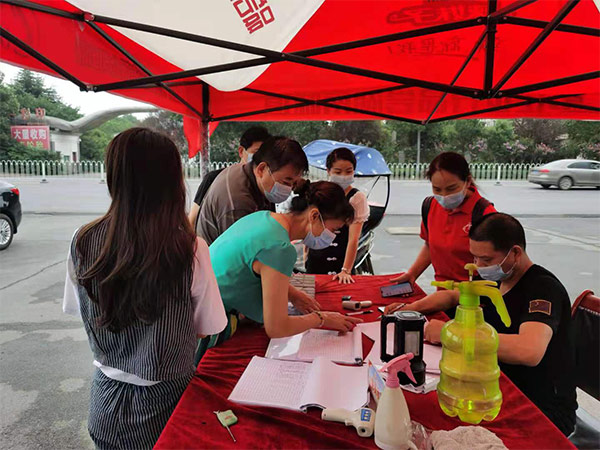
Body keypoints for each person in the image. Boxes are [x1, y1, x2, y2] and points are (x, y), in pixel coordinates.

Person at [62, 128, 227, 449]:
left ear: (114, 176)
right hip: (167, 404)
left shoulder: (81, 240)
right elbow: (208, 327)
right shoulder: (190, 249)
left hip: (104, 403)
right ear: (173, 182)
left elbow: (79, 309)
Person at [386, 213, 577, 436]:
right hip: (489, 384)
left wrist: (449, 333)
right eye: (475, 258)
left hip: (539, 405)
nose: (478, 266)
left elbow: (528, 351)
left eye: (486, 260)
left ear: (515, 253)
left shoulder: (543, 289)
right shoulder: (495, 279)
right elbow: (452, 295)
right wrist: (410, 309)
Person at [196, 180, 362, 362]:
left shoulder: (263, 217)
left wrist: (293, 294)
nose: (331, 238)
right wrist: (321, 319)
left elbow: (254, 267)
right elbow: (276, 327)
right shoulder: (280, 249)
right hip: (207, 326)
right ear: (314, 216)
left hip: (197, 305)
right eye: (333, 230)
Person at [389, 151, 496, 316]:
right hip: (441, 296)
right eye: (437, 189)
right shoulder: (430, 206)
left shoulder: (484, 214)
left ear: (467, 181)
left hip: (474, 301)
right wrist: (412, 274)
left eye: (451, 189)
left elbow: (494, 265)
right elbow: (430, 244)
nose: (444, 196)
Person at [196, 136, 308, 246]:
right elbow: (243, 252)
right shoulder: (238, 203)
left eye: (294, 183)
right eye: (286, 182)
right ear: (261, 169)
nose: (289, 189)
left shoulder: (255, 178)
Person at [305, 147, 370, 283]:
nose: (343, 176)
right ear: (328, 171)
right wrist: (306, 255)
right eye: (338, 172)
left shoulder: (356, 198)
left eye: (348, 171)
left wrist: (346, 270)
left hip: (341, 265)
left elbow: (353, 239)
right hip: (315, 261)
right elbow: (308, 227)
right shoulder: (319, 192)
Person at [188, 126, 271, 226]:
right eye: (256, 153)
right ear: (241, 151)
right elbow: (192, 221)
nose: (261, 159)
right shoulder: (214, 178)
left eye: (265, 155)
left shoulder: (266, 186)